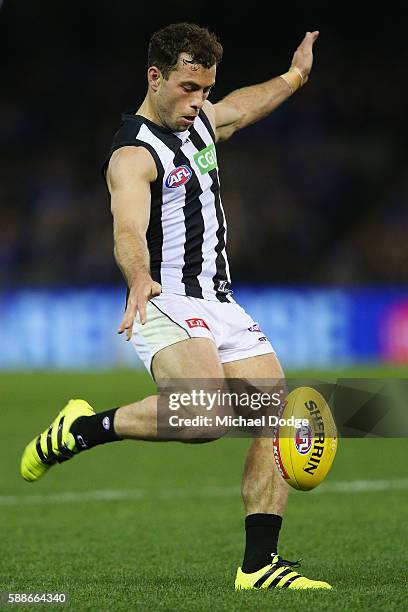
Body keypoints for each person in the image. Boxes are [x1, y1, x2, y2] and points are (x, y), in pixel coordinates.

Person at [21, 23, 331, 590]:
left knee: (274, 417)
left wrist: (294, 76)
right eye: (188, 87)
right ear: (154, 77)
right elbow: (128, 226)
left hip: (222, 300)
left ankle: (258, 566)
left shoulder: (203, 123)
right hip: (165, 297)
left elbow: (241, 108)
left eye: (205, 89)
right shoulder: (133, 154)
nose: (199, 101)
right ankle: (85, 429)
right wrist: (138, 277)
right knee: (207, 416)